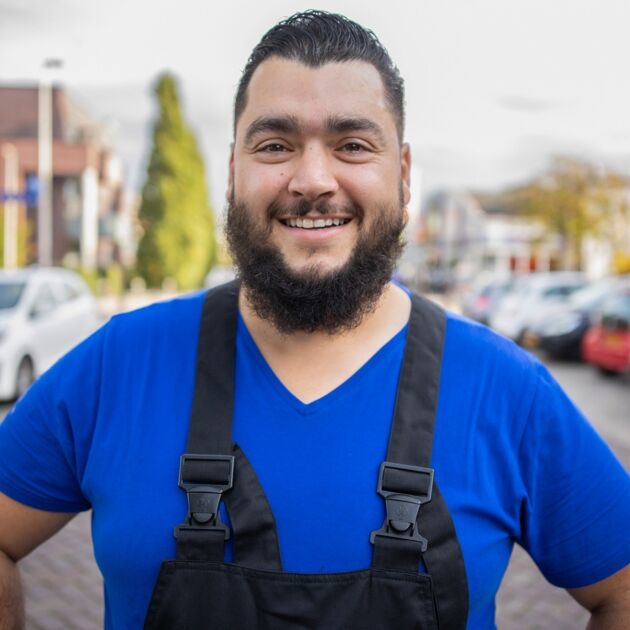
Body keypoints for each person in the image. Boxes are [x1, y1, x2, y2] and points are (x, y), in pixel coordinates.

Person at [1, 10, 629, 630]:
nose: (312, 179)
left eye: (352, 145)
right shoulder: (118, 364)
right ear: (231, 173)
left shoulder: (508, 391)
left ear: (404, 175)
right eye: (275, 145)